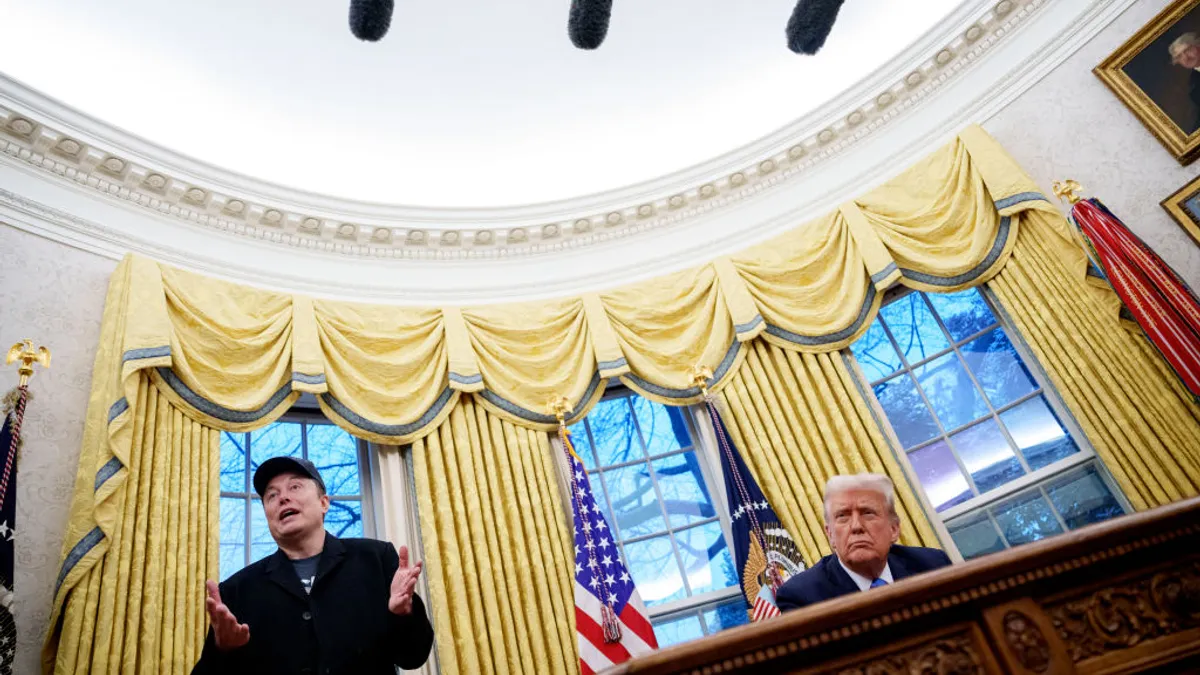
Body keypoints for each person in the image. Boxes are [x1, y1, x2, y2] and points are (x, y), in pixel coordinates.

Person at [192, 456, 434, 674]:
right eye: (271, 495)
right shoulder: (236, 591)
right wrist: (223, 650)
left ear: (324, 503)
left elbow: (413, 657)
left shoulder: (376, 559)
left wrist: (403, 614)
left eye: (295, 487)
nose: (283, 497)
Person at [775, 473, 951, 611]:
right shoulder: (802, 597)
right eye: (842, 516)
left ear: (894, 529)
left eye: (868, 513)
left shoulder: (932, 566)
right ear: (830, 535)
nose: (856, 527)